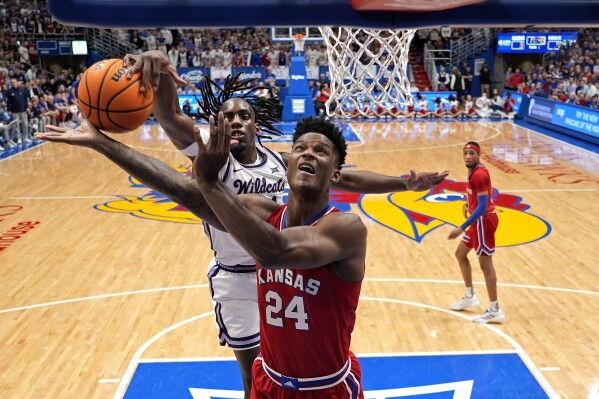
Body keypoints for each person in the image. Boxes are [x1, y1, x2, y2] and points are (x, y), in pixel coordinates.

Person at [57, 50, 448, 399]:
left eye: (244, 114)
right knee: (250, 374)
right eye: (302, 149)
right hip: (244, 292)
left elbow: (292, 232)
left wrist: (402, 182)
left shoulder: (325, 209)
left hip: (315, 367)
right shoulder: (215, 157)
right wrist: (110, 134)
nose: (236, 121)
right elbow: (177, 149)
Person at [36, 113, 369, 398]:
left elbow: (274, 251)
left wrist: (209, 181)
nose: (308, 154)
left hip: (324, 388)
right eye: (300, 148)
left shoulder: (346, 229)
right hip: (268, 382)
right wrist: (101, 142)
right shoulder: (262, 212)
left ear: (336, 174)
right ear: (288, 163)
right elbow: (182, 191)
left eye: (321, 151)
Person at [447, 142, 505, 324]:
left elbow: (482, 206)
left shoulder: (479, 174)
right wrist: (467, 203)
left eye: (472, 153)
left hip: (483, 221)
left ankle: (495, 309)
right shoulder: (474, 171)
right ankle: (470, 296)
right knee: (460, 254)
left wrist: (461, 227)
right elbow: (478, 199)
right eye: (465, 153)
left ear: (479, 155)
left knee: (486, 265)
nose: (468, 156)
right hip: (478, 220)